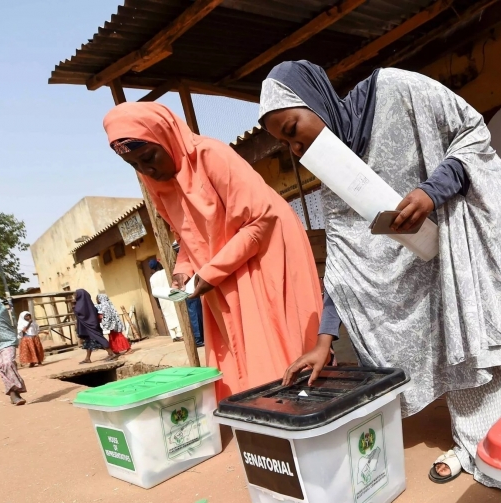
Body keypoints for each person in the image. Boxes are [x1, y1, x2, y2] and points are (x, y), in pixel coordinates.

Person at [260, 61, 501, 489]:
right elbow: (344, 259)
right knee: (461, 339)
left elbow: (472, 134)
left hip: (475, 228)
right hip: (433, 261)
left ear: (315, 99)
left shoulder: (397, 89)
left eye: (293, 129)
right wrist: (324, 342)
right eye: (285, 144)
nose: (296, 149)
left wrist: (432, 191)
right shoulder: (332, 172)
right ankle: (478, 445)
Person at [103, 102, 323, 399]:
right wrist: (184, 270)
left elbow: (260, 220)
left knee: (270, 336)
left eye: (149, 157)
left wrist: (210, 272)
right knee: (235, 345)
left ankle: (291, 407)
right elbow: (186, 234)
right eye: (135, 165)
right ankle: (254, 408)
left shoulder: (210, 154)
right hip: (220, 269)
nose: (147, 169)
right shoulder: (156, 183)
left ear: (166, 136)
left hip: (263, 253)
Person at [73, 289, 118, 364]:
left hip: (90, 326)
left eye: (76, 294)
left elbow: (79, 312)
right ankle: (87, 358)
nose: (74, 296)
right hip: (91, 325)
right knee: (88, 341)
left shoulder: (80, 305)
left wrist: (74, 307)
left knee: (99, 338)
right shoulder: (90, 305)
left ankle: (111, 353)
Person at [147, 259, 182, 339]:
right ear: (158, 264)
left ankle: (173, 335)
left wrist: (157, 303)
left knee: (168, 315)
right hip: (171, 294)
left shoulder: (152, 278)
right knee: (175, 313)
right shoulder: (166, 272)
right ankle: (179, 334)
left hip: (161, 298)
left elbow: (154, 292)